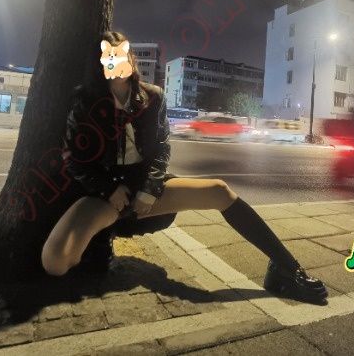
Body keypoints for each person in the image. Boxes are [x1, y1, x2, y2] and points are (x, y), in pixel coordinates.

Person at [41, 30, 328, 304]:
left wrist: (149, 190)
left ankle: (286, 268)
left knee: (219, 191)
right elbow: (74, 158)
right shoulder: (85, 100)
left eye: (123, 56)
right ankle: (101, 238)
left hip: (144, 187)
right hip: (104, 194)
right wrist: (109, 189)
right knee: (55, 261)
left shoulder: (152, 97)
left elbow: (161, 148)